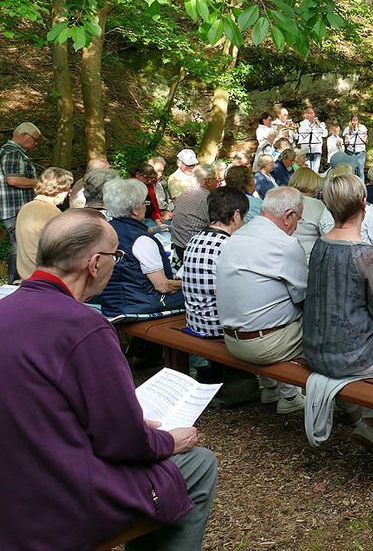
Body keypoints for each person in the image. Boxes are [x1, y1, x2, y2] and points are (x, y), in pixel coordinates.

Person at [0, 209, 216, 550]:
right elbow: (123, 441)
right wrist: (168, 441)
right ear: (95, 263)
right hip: (54, 500)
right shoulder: (84, 325)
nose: (116, 263)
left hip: (17, 481)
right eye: (116, 255)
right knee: (199, 462)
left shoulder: (7, 309)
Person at [304, 173, 373, 460]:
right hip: (351, 355)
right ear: (364, 204)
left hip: (314, 350)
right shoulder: (366, 255)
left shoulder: (318, 246)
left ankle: (359, 415)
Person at [216, 186, 308, 413]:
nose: (297, 225)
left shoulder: (236, 237)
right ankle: (295, 397)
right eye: (299, 219)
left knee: (271, 306)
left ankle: (272, 388)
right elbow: (305, 297)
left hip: (231, 340)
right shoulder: (285, 245)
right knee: (320, 322)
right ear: (288, 215)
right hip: (263, 346)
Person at [94, 178, 184, 316]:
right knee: (202, 295)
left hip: (109, 302)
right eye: (144, 203)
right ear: (134, 210)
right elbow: (162, 286)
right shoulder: (141, 239)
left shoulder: (105, 230)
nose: (146, 207)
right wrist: (189, 284)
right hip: (137, 304)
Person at [182, 187, 249, 338]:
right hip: (219, 327)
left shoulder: (195, 239)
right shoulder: (230, 245)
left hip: (194, 322)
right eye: (244, 217)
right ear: (236, 215)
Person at [0, 121, 40, 281]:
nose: (36, 144)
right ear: (23, 135)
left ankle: (16, 283)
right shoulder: (12, 152)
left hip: (14, 209)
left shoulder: (12, 151)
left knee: (20, 245)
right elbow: (14, 180)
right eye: (34, 139)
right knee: (20, 247)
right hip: (15, 210)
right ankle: (14, 283)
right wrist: (40, 183)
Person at [15, 167, 72, 279]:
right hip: (46, 278)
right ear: (59, 190)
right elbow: (62, 252)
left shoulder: (26, 208)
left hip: (26, 275)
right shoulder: (52, 212)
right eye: (68, 190)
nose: (68, 194)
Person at [171, 163, 219, 264]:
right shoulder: (208, 199)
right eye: (216, 178)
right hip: (197, 251)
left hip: (179, 246)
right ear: (208, 181)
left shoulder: (184, 195)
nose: (218, 181)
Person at [289, 167, 327, 263]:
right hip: (308, 260)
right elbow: (327, 233)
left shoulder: (281, 199)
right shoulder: (317, 205)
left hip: (283, 257)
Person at [131, 162, 166, 228]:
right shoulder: (129, 186)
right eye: (147, 179)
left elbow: (155, 207)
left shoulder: (149, 185)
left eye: (151, 179)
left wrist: (158, 222)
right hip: (136, 221)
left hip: (150, 219)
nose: (149, 182)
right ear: (137, 175)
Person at [297, 107, 327, 172]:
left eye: (312, 113)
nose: (311, 115)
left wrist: (319, 124)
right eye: (309, 113)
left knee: (315, 170)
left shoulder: (320, 124)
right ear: (305, 114)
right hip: (307, 149)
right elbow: (302, 131)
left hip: (317, 149)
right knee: (307, 169)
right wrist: (312, 124)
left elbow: (325, 134)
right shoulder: (302, 123)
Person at [344, 113, 368, 181]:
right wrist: (347, 142)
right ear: (351, 121)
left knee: (361, 171)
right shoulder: (347, 129)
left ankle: (362, 187)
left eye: (356, 120)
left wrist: (360, 136)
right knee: (351, 171)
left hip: (360, 152)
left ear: (358, 121)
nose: (355, 122)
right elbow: (346, 142)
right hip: (351, 151)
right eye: (353, 120)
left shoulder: (363, 128)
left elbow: (366, 142)